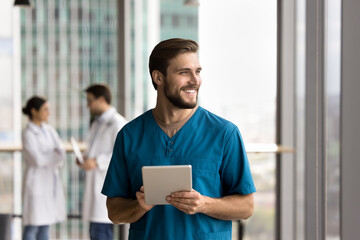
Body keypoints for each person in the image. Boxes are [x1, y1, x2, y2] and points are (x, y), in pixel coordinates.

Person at [101, 38, 256, 239]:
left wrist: (204, 204)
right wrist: (138, 206)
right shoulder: (130, 135)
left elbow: (247, 206)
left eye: (198, 72)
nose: (195, 80)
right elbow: (114, 211)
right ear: (158, 77)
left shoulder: (224, 134)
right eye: (184, 72)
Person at [77, 83, 127, 240]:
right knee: (95, 232)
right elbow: (94, 150)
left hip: (105, 187)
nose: (88, 105)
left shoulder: (118, 123)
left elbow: (120, 155)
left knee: (101, 233)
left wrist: (97, 162)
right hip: (94, 187)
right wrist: (86, 159)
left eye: (90, 101)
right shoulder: (96, 124)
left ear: (101, 99)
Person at [22, 96, 66, 240]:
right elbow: (38, 160)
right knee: (32, 227)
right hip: (36, 185)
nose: (49, 113)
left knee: (45, 225)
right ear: (34, 111)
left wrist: (54, 155)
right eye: (45, 109)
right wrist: (54, 155)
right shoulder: (28, 133)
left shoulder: (50, 130)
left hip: (49, 183)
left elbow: (61, 152)